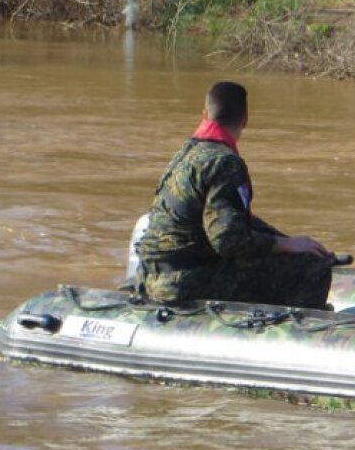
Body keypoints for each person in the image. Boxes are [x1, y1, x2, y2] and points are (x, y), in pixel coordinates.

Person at [135, 80, 333, 308]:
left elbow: (231, 220)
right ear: (245, 120)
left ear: (204, 114)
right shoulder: (225, 162)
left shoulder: (187, 153)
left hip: (151, 276)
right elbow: (228, 240)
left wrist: (288, 241)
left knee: (288, 254)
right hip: (185, 282)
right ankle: (294, 333)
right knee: (312, 268)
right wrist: (285, 246)